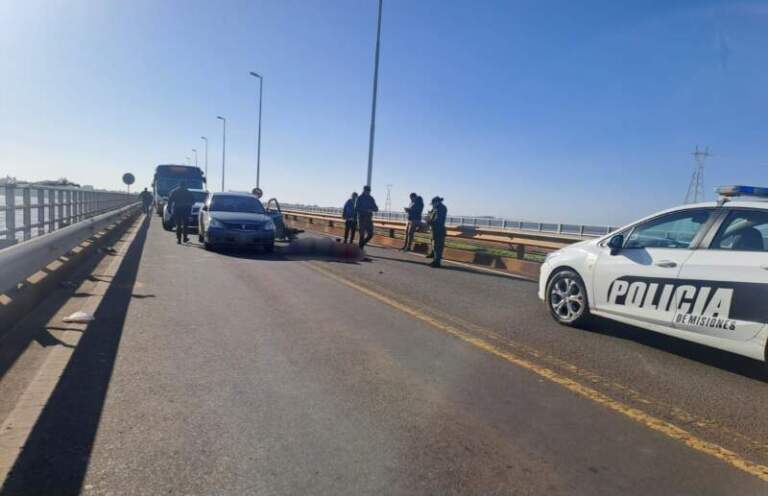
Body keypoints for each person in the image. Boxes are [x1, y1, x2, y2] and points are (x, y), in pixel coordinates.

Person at [426, 196, 447, 268]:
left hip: (439, 230)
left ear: (436, 202)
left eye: (433, 204)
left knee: (438, 247)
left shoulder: (441, 208)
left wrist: (430, 221)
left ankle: (437, 262)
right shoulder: (436, 208)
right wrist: (428, 217)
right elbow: (432, 217)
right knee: (435, 246)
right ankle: (435, 261)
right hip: (435, 229)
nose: (432, 205)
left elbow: (439, 220)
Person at [355, 185, 378, 249]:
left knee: (371, 234)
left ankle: (361, 245)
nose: (368, 192)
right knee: (362, 235)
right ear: (364, 190)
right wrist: (365, 210)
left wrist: (372, 209)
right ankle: (360, 250)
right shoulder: (360, 198)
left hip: (369, 219)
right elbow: (356, 208)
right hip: (361, 218)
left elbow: (376, 208)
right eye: (367, 190)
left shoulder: (371, 198)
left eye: (369, 191)